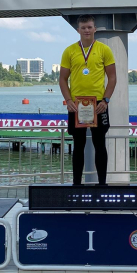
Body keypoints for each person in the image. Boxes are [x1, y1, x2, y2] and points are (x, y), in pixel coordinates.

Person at [59, 15, 117, 185]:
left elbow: (112, 77)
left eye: (89, 27)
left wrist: (105, 100)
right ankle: (76, 184)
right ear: (78, 30)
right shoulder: (69, 51)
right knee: (78, 145)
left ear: (95, 29)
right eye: (83, 27)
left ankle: (102, 184)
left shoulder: (104, 50)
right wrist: (68, 100)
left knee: (100, 144)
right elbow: (62, 79)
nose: (86, 30)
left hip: (98, 104)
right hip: (76, 105)